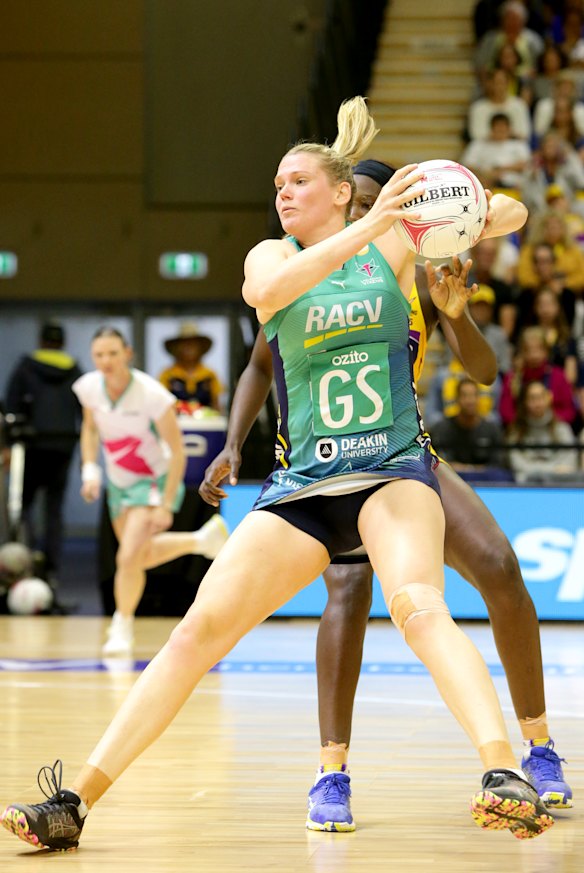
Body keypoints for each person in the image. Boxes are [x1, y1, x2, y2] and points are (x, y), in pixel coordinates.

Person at [0, 99, 554, 853]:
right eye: (277, 185)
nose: (283, 193)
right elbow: (268, 295)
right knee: (197, 630)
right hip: (301, 487)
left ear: (336, 189)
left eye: (297, 181)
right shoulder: (272, 255)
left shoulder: (392, 244)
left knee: (419, 605)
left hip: (390, 472)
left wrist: (465, 203)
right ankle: (75, 801)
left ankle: (503, 772)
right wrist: (371, 223)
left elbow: (510, 216)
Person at [201, 158, 572, 832]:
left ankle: (540, 745)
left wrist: (458, 290)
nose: (375, 216)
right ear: (342, 207)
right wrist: (232, 443)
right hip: (321, 468)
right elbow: (259, 364)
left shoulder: (405, 263)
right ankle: (331, 771)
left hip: (403, 458)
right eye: (366, 204)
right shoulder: (302, 273)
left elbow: (484, 372)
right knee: (346, 596)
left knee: (498, 564)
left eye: (385, 204)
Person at [72, 327, 229, 655]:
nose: (106, 361)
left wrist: (166, 503)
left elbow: (177, 450)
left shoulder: (151, 393)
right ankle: (199, 541)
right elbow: (89, 429)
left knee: (127, 556)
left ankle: (121, 625)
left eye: (113, 353)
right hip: (119, 484)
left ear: (127, 353)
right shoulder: (88, 388)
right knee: (138, 557)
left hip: (153, 480)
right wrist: (89, 470)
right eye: (100, 354)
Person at [4, 322, 82, 588]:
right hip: (64, 445)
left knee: (23, 504)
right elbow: (84, 409)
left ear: (41, 340)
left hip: (32, 443)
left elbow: (11, 405)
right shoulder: (74, 370)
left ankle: (24, 559)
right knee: (54, 508)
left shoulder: (27, 366)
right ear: (63, 342)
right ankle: (51, 568)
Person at [430, 378, 510, 481]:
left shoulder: (492, 429)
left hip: (486, 482)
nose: (469, 401)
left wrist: (468, 469)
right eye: (464, 396)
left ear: (479, 399)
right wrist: (473, 469)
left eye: (473, 395)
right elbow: (439, 464)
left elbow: (498, 464)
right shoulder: (441, 428)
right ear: (456, 399)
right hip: (452, 481)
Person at [506, 379, 579, 482]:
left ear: (548, 398)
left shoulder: (562, 428)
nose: (537, 402)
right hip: (525, 486)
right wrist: (553, 470)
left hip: (557, 486)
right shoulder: (516, 431)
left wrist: (541, 473)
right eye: (532, 398)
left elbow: (569, 463)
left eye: (541, 397)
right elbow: (516, 464)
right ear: (525, 402)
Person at [158, 321, 223, 412]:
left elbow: (216, 404)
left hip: (206, 423)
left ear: (200, 347)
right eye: (184, 344)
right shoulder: (168, 374)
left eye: (193, 343)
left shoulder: (209, 374)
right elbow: (161, 404)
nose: (189, 348)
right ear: (177, 347)